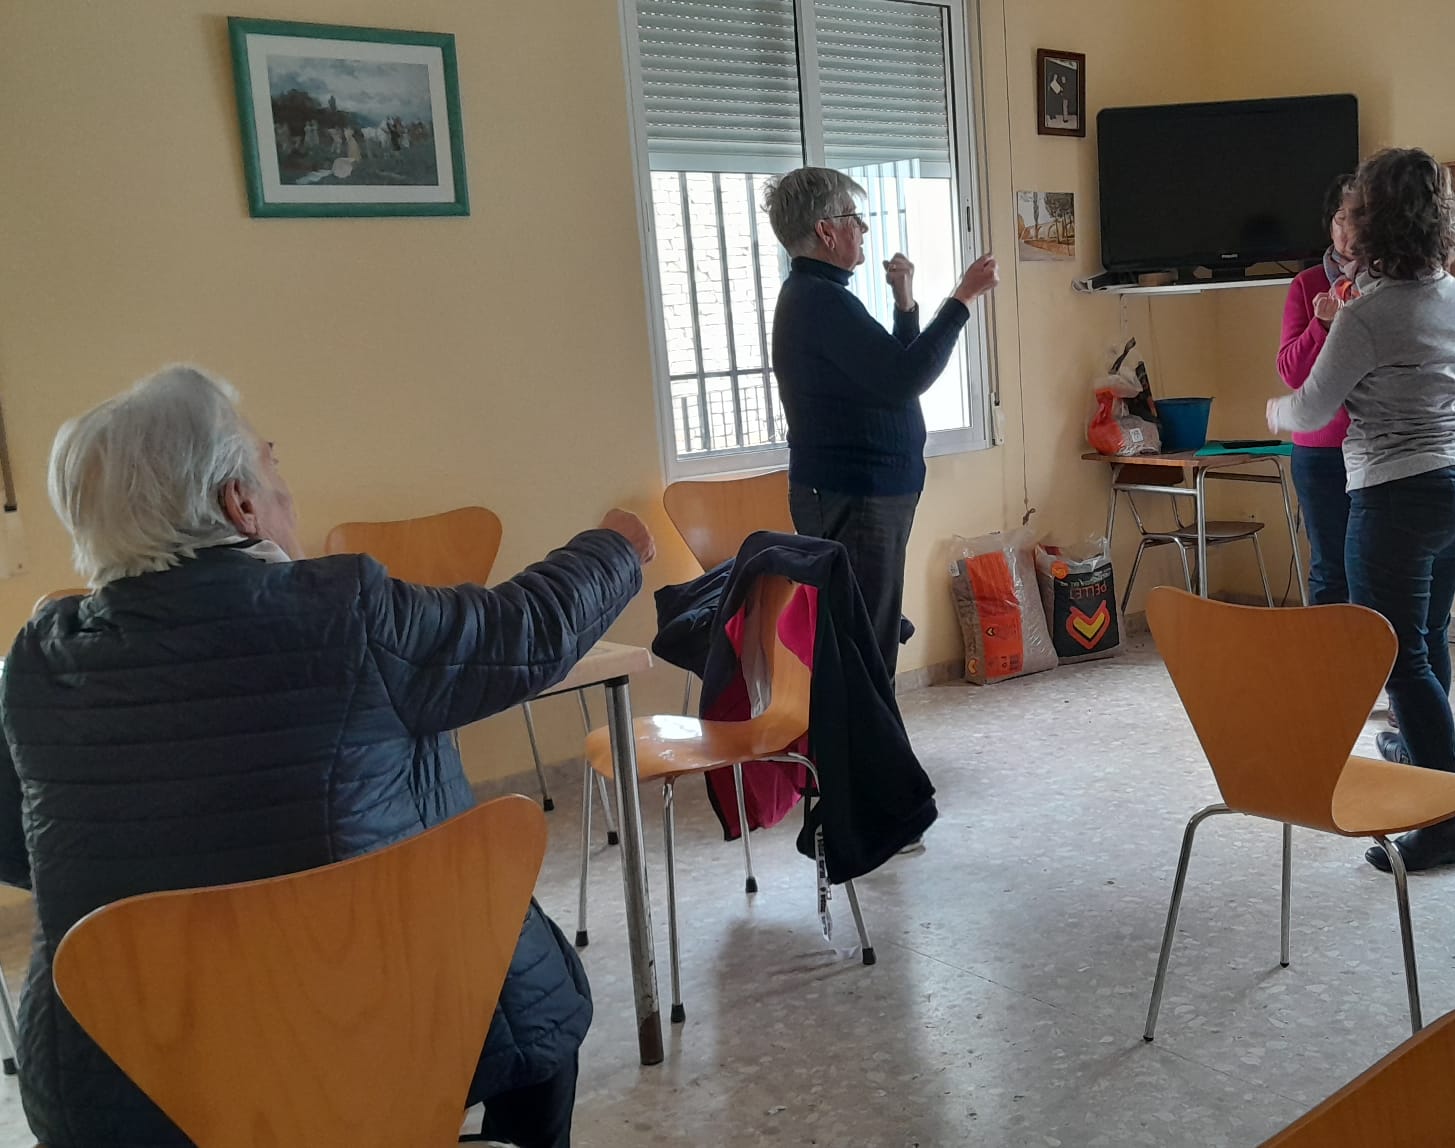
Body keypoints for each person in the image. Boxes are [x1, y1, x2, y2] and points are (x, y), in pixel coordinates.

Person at [0, 365, 657, 1148]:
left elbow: (22, 845)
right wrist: (618, 547)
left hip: (124, 1080)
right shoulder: (345, 614)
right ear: (239, 504)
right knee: (532, 1005)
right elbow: (522, 630)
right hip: (365, 1029)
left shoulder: (36, 664)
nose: (285, 489)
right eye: (270, 463)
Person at [1267, 148, 1455, 874]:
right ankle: (1426, 771)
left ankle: (1445, 821)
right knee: (1426, 638)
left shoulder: (1365, 314)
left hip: (1399, 495)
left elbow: (1311, 407)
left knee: (1399, 658)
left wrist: (1273, 412)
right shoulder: (1451, 293)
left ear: (1372, 219)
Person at [763, 166, 1000, 679]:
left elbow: (890, 371)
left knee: (870, 633)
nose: (863, 228)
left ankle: (870, 728)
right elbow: (907, 376)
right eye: (853, 218)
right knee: (864, 642)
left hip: (865, 492)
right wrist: (963, 298)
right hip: (854, 494)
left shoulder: (820, 295)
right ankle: (868, 732)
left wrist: (905, 303)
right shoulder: (819, 301)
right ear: (826, 231)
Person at [1277, 174, 1360, 604]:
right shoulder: (1306, 284)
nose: (1348, 231)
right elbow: (1291, 373)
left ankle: (1371, 648)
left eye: (1358, 219)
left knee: (1373, 569)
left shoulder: (1387, 286)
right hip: (1320, 453)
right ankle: (1326, 650)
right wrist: (1321, 324)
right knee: (1330, 569)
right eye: (1340, 219)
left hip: (1377, 449)